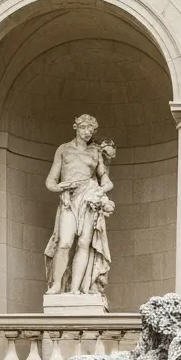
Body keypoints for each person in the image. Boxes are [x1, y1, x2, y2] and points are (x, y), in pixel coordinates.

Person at [44, 112, 115, 304]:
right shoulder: (64, 150)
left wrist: (99, 192)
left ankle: (76, 288)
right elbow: (50, 180)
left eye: (90, 129)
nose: (87, 132)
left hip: (89, 197)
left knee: (84, 243)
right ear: (76, 128)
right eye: (83, 127)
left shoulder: (95, 152)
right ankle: (57, 285)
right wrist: (61, 187)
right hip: (69, 197)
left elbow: (107, 181)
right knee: (65, 242)